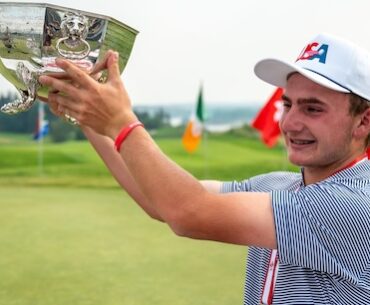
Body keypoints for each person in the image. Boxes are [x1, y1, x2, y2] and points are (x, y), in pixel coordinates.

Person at [38, 32, 370, 305]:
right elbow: (160, 202)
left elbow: (188, 212)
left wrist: (120, 121)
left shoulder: (352, 204)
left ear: (363, 121)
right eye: (287, 104)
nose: (291, 122)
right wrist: (87, 114)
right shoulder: (280, 186)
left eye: (313, 109)